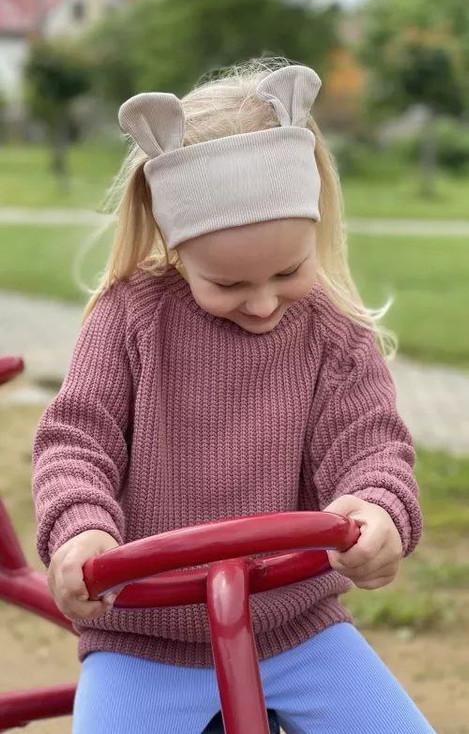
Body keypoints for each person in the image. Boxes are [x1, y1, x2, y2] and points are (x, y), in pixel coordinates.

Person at [32, 57, 436, 733]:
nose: (263, 302)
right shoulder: (130, 318)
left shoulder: (333, 333)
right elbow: (76, 440)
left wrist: (378, 506)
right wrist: (82, 529)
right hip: (144, 641)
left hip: (296, 632)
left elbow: (369, 444)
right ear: (176, 246)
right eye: (227, 283)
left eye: (288, 270)